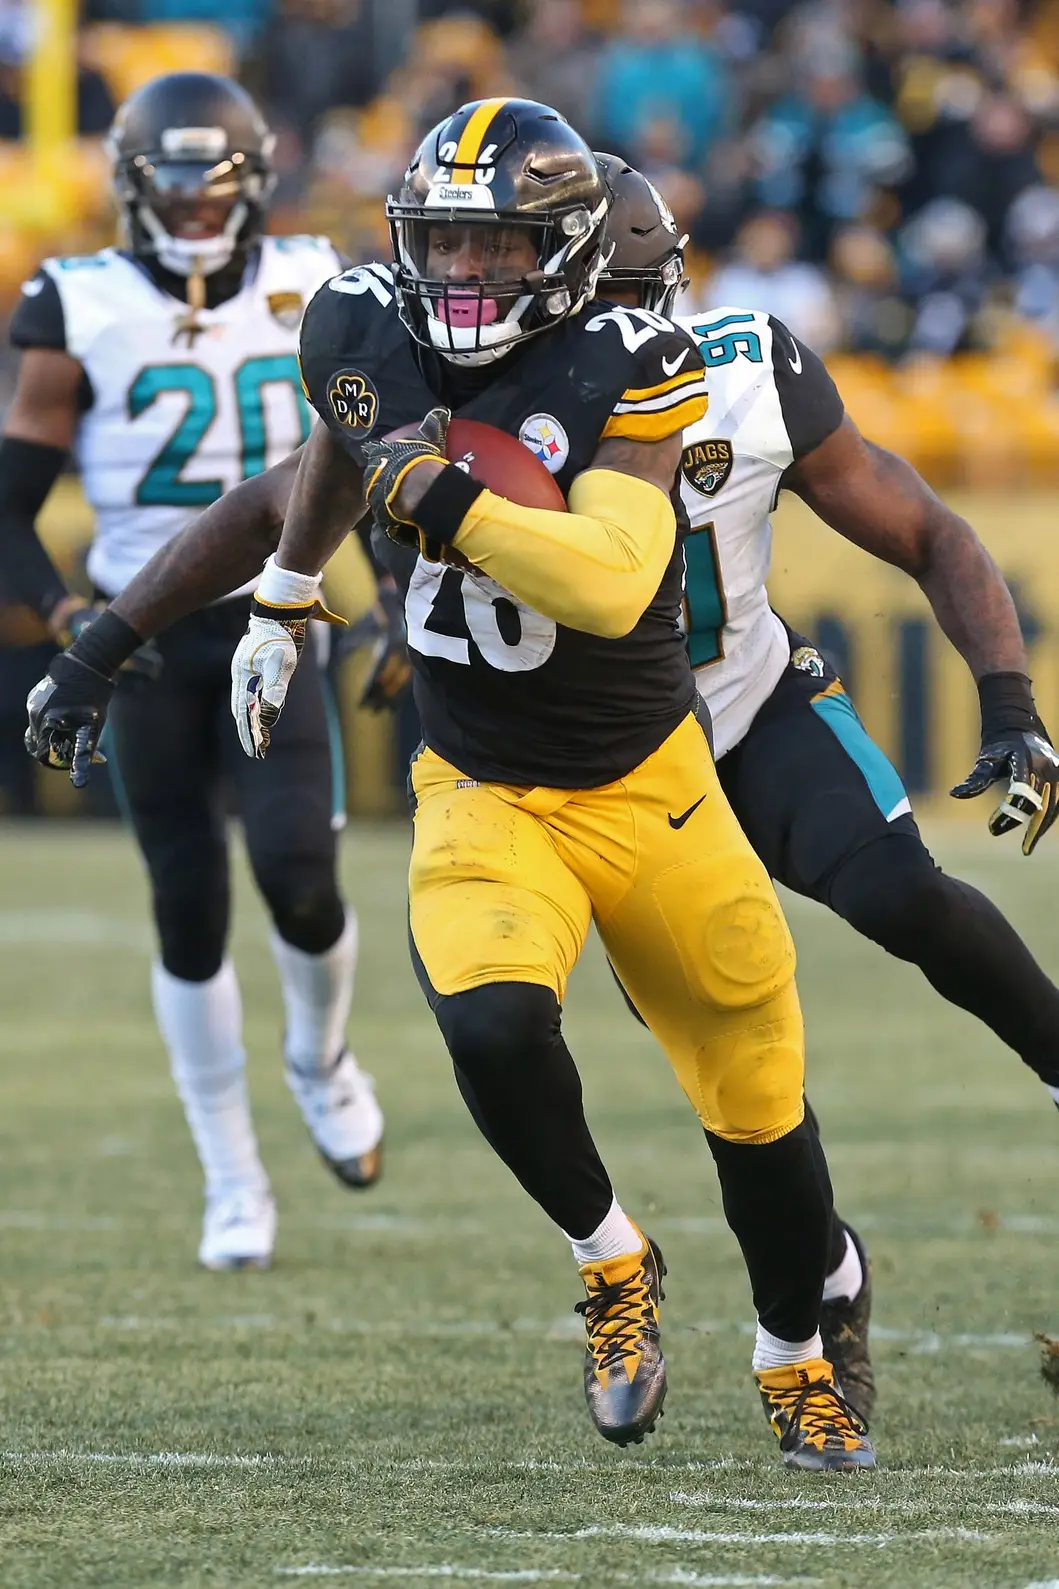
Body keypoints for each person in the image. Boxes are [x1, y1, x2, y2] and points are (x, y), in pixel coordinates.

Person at [26, 98, 876, 1473]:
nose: (462, 275)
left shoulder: (633, 352)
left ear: (561, 244)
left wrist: (436, 494)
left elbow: (606, 582)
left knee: (755, 1108)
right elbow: (314, 464)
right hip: (481, 781)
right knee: (485, 1027)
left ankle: (795, 1350)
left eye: (493, 248)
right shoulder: (362, 321)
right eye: (444, 243)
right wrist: (273, 600)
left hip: (644, 782)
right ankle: (610, 1261)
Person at [594, 152, 1059, 1414]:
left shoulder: (746, 368)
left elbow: (928, 531)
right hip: (617, 772)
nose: (625, 329)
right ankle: (827, 1270)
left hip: (751, 708)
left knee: (911, 896)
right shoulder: (485, 393)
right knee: (739, 1070)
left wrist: (1013, 708)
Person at [4, 72, 387, 1272]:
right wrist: (74, 614)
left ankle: (320, 1059)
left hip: (277, 612)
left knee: (301, 873)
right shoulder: (77, 301)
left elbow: (372, 449)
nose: (191, 209)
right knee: (187, 904)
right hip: (150, 628)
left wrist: (401, 607)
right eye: (168, 185)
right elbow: (11, 504)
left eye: (211, 185)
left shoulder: (316, 278)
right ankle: (232, 1177)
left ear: (253, 181)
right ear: (130, 186)